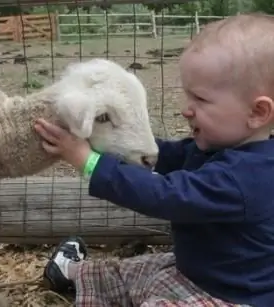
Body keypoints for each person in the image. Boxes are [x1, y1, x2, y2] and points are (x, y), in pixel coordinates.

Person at [33, 13, 274, 307]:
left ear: (257, 113)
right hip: (194, 274)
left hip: (230, 298)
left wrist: (88, 161)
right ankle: (68, 273)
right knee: (137, 271)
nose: (187, 109)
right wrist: (121, 143)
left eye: (201, 99)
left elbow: (165, 195)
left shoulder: (248, 178)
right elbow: (167, 155)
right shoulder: (217, 147)